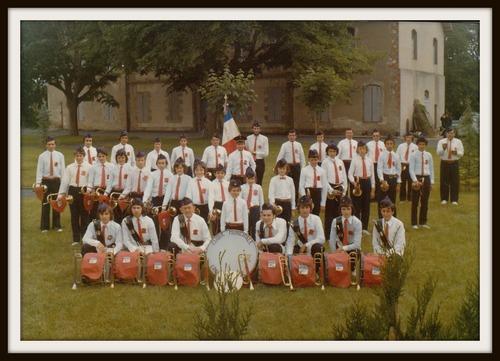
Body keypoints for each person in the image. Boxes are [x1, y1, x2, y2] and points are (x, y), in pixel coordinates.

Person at [57, 146, 91, 246]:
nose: (79, 157)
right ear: (74, 156)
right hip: (73, 191)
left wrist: (88, 192)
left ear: (84, 156)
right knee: (74, 215)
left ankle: (85, 238)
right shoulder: (70, 167)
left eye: (80, 155)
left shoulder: (89, 167)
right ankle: (76, 239)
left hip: (84, 191)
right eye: (77, 155)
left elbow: (90, 181)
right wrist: (60, 194)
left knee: (85, 215)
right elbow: (65, 182)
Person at [35, 135, 66, 233]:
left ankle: (57, 225)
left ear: (55, 144)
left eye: (52, 144)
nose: (51, 146)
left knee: (56, 202)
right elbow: (39, 170)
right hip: (46, 182)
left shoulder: (60, 155)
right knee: (45, 203)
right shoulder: (42, 156)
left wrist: (63, 183)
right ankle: (44, 226)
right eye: (49, 144)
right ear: (46, 145)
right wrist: (38, 183)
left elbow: (63, 170)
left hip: (56, 181)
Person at [143, 154, 173, 250]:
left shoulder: (170, 175)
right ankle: (154, 245)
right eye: (159, 163)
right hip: (155, 200)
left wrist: (165, 206)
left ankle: (164, 245)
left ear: (166, 163)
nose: (161, 165)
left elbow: (170, 191)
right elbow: (148, 188)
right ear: (156, 164)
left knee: (165, 224)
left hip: (165, 200)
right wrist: (144, 200)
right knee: (154, 223)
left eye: (163, 163)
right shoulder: (152, 174)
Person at [321, 141, 348, 243]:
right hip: (330, 188)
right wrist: (332, 190)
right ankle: (327, 235)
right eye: (330, 151)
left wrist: (344, 189)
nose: (332, 153)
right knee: (329, 213)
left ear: (337, 152)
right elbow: (324, 179)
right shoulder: (325, 163)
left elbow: (344, 176)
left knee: (339, 212)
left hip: (340, 186)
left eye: (334, 151)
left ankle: (338, 233)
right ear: (327, 152)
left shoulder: (340, 162)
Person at [348, 140, 375, 236]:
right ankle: (357, 228)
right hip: (357, 183)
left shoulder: (370, 160)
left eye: (364, 148)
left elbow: (372, 175)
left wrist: (373, 188)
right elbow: (350, 174)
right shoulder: (354, 160)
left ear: (366, 150)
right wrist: (353, 182)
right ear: (357, 150)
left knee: (366, 206)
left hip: (366, 182)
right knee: (356, 206)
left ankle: (364, 228)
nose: (362, 150)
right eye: (360, 148)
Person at [409, 135, 434, 229]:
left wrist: (431, 182)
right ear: (417, 144)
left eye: (423, 144)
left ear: (426, 145)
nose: (422, 146)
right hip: (417, 177)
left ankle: (423, 221)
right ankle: (414, 223)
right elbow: (411, 169)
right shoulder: (413, 155)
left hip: (426, 178)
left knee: (425, 201)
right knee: (415, 201)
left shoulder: (429, 155)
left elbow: (431, 169)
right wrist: (415, 180)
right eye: (420, 144)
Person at [298, 149, 332, 217]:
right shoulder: (304, 170)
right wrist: (304, 196)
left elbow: (324, 187)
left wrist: (323, 203)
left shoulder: (322, 171)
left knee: (316, 214)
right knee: (307, 213)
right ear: (309, 159)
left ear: (318, 159)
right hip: (308, 192)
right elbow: (301, 185)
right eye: (312, 160)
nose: (314, 162)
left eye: (315, 160)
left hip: (317, 193)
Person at [105, 148, 134, 224]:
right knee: (115, 214)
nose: (121, 159)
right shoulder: (113, 169)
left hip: (124, 193)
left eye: (123, 157)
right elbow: (109, 184)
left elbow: (129, 186)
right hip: (114, 193)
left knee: (124, 214)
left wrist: (121, 196)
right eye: (119, 158)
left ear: (126, 158)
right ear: (116, 158)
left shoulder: (130, 169)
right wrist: (105, 195)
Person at [276, 129, 306, 202]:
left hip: (297, 167)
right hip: (288, 167)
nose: (292, 137)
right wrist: (279, 168)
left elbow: (302, 158)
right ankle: (288, 199)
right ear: (288, 136)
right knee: (288, 183)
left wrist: (303, 169)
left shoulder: (299, 145)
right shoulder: (284, 145)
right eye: (290, 135)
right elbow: (279, 157)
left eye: (293, 135)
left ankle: (295, 201)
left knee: (297, 184)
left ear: (296, 136)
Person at [436, 126, 464, 206]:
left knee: (455, 181)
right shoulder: (441, 142)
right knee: (444, 181)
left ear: (454, 133)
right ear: (446, 133)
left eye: (452, 133)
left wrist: (456, 153)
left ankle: (454, 199)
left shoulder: (458, 142)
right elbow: (438, 153)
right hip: (444, 163)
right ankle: (444, 199)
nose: (450, 135)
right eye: (449, 133)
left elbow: (461, 153)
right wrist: (443, 149)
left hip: (454, 163)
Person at [376, 134, 401, 218]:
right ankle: (381, 219)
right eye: (388, 143)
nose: (389, 145)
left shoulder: (396, 156)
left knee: (392, 200)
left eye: (391, 143)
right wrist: (382, 181)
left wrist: (398, 183)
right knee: (382, 200)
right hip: (385, 178)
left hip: (393, 178)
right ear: (385, 145)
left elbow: (398, 170)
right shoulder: (382, 155)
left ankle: (393, 219)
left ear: (393, 144)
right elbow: (379, 169)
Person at [87, 147, 114, 221]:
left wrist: (105, 194)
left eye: (103, 156)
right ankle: (95, 227)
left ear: (106, 156)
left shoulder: (111, 167)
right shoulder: (93, 167)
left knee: (106, 210)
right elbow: (90, 181)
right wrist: (89, 190)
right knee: (95, 210)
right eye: (99, 156)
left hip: (107, 190)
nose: (101, 158)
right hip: (96, 191)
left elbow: (111, 182)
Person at [268, 158, 296, 224]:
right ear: (277, 168)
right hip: (278, 204)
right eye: (280, 168)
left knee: (287, 223)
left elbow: (293, 194)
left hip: (287, 204)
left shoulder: (290, 180)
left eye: (284, 168)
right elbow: (271, 193)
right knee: (277, 223)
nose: (282, 170)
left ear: (286, 169)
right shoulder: (273, 180)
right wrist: (273, 205)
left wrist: (293, 209)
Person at [241, 167, 264, 240]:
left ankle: (255, 242)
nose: (251, 180)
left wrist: (261, 213)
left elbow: (261, 200)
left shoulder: (258, 187)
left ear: (255, 178)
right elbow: (241, 200)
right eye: (249, 178)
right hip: (246, 210)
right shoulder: (242, 187)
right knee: (246, 227)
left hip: (255, 210)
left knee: (255, 228)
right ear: (246, 178)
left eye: (252, 178)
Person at [396, 132, 418, 203]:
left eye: (410, 137)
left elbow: (416, 157)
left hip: (411, 165)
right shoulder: (401, 146)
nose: (408, 139)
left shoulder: (415, 147)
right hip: (402, 165)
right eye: (407, 137)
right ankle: (402, 198)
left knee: (410, 182)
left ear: (412, 138)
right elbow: (397, 156)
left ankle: (410, 198)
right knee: (402, 182)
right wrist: (399, 165)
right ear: (405, 138)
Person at [208, 164, 230, 236]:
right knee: (216, 225)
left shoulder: (227, 183)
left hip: (226, 204)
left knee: (226, 224)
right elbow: (211, 197)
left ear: (224, 173)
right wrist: (211, 210)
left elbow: (229, 195)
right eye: (218, 173)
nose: (220, 175)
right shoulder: (212, 184)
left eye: (222, 173)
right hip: (217, 205)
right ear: (214, 174)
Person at [245, 121, 269, 186]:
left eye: (257, 128)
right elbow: (246, 150)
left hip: (259, 161)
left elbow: (266, 153)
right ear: (252, 129)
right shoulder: (248, 138)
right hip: (250, 161)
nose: (256, 130)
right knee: (249, 179)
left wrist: (255, 152)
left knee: (259, 180)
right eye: (255, 128)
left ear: (260, 129)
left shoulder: (264, 139)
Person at [366, 128, 386, 201]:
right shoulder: (368, 144)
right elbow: (366, 155)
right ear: (372, 136)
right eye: (374, 136)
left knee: (379, 180)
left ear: (379, 136)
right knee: (372, 180)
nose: (376, 137)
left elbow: (384, 155)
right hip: (372, 164)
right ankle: (372, 197)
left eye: (377, 136)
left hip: (380, 165)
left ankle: (378, 197)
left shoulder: (383, 144)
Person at [337, 128, 358, 193]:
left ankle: (353, 196)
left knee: (353, 181)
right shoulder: (341, 143)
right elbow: (337, 154)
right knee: (344, 181)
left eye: (350, 133)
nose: (349, 134)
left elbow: (358, 154)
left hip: (353, 164)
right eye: (348, 133)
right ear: (345, 134)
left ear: (353, 134)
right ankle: (344, 197)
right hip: (344, 164)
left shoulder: (356, 143)